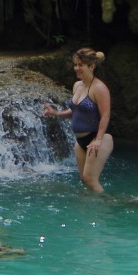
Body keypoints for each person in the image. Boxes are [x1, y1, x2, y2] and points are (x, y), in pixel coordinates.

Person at [43, 47, 112, 192]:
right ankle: (89, 210)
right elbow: (74, 111)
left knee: (90, 179)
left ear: (91, 66)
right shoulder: (77, 85)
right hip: (80, 141)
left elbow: (105, 115)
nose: (77, 68)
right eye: (75, 65)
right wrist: (55, 113)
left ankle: (106, 206)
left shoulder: (99, 88)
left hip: (97, 138)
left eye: (81, 65)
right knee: (83, 180)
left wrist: (98, 139)